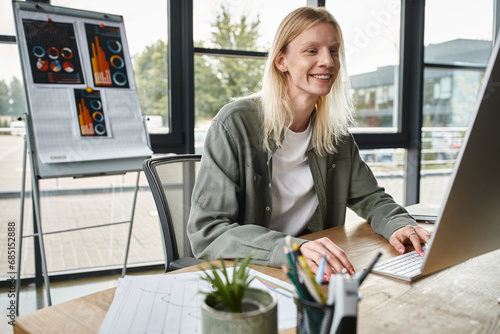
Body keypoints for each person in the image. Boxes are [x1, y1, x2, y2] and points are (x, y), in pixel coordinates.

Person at [187, 6, 430, 279]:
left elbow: (371, 198)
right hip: (254, 271)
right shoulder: (235, 124)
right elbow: (207, 231)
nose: (328, 61)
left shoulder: (336, 136)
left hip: (315, 272)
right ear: (282, 61)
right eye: (312, 51)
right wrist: (293, 249)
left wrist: (399, 223)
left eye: (334, 50)